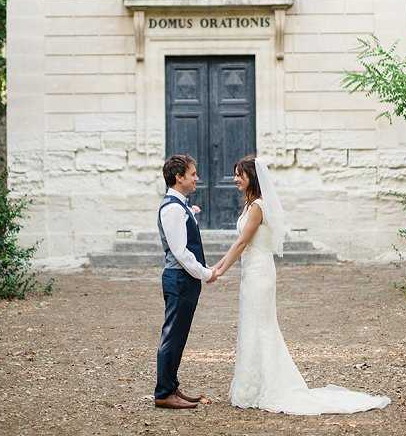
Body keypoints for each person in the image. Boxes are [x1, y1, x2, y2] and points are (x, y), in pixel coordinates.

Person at [214, 155, 391, 415]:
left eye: (240, 174)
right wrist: (219, 265)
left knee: (261, 326)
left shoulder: (258, 208)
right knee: (252, 325)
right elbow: (241, 243)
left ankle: (265, 386)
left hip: (260, 272)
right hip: (251, 271)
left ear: (252, 177)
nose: (235, 179)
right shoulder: (249, 205)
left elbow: (242, 243)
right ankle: (253, 385)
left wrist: (219, 270)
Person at [154, 154, 218, 410]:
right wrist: (205, 273)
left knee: (179, 336)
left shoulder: (179, 207)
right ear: (178, 177)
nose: (196, 179)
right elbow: (180, 252)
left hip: (184, 281)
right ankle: (164, 392)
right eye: (192, 174)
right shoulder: (171, 209)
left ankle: (171, 386)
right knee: (172, 335)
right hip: (179, 279)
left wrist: (190, 214)